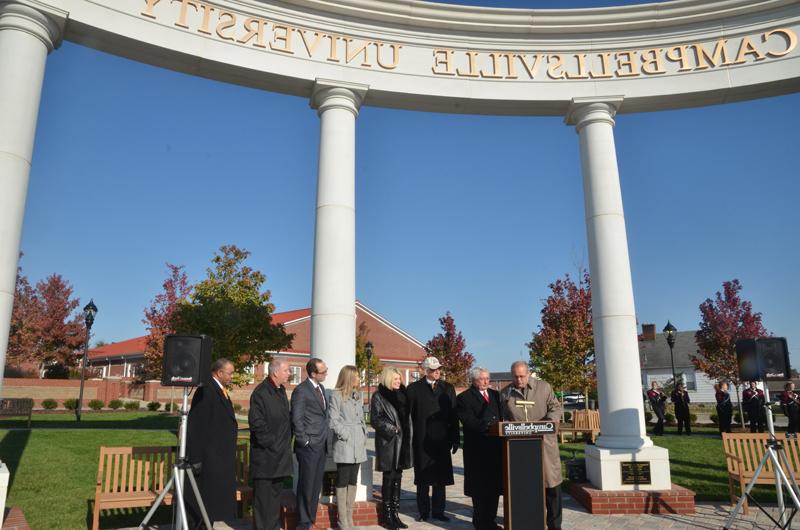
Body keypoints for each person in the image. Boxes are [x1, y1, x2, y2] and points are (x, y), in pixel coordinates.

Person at [500, 361, 563, 530]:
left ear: (528, 374)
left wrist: (548, 423)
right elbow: (503, 417)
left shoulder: (544, 388)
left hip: (545, 446)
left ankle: (555, 525)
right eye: (515, 376)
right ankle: (527, 521)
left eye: (521, 376)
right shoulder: (505, 393)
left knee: (551, 487)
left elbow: (556, 408)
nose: (519, 380)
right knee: (525, 486)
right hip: (519, 449)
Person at [185, 358, 238, 529]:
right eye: (229, 373)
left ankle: (209, 524)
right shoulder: (206, 390)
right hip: (209, 457)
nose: (232, 376)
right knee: (204, 498)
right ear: (219, 372)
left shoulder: (220, 389)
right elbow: (197, 425)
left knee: (213, 500)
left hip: (219, 456)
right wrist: (196, 458)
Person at [405, 356, 459, 523]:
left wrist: (455, 438)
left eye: (439, 369)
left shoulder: (447, 388)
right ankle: (423, 511)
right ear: (426, 370)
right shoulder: (414, 389)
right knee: (422, 478)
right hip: (422, 441)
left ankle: (438, 511)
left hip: (442, 442)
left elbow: (453, 414)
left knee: (440, 479)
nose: (438, 372)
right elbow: (408, 416)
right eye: (434, 369)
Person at [456, 367, 502, 530]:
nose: (486, 381)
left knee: (495, 487)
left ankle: (491, 521)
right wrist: (490, 426)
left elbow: (503, 417)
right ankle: (480, 523)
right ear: (474, 380)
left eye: (487, 378)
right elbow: (468, 421)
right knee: (479, 489)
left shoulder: (496, 395)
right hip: (477, 450)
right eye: (482, 378)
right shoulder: (464, 398)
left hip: (496, 449)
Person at [249, 359, 293, 530]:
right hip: (266, 457)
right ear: (275, 373)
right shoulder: (260, 393)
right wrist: (272, 444)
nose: (290, 374)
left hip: (280, 456)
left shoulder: (280, 390)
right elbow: (257, 424)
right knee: (263, 500)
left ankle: (273, 526)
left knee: (275, 498)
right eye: (287, 370)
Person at [291, 358, 331, 530]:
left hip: (321, 444)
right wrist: (304, 440)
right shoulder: (301, 390)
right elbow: (296, 419)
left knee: (315, 485)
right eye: (323, 372)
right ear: (313, 373)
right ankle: (303, 522)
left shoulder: (320, 388)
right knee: (306, 484)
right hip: (308, 446)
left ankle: (310, 519)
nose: (326, 374)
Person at [370, 367, 412, 530]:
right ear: (387, 379)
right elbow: (375, 419)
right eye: (395, 379)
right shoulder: (378, 396)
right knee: (389, 477)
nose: (398, 381)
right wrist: (391, 429)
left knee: (398, 477)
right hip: (389, 443)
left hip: (403, 443)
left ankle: (395, 514)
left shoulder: (403, 395)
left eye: (399, 379)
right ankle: (387, 517)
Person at [329, 365, 368, 530]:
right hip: (345, 444)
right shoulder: (336, 395)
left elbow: (361, 419)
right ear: (349, 377)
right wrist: (345, 434)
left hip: (358, 444)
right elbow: (333, 420)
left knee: (353, 480)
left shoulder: (358, 395)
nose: (359, 379)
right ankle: (342, 520)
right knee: (343, 480)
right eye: (357, 376)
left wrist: (363, 434)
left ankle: (349, 517)